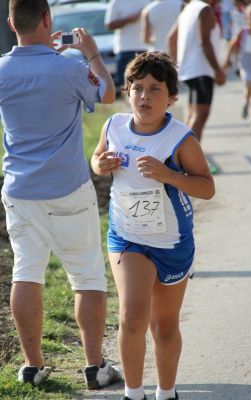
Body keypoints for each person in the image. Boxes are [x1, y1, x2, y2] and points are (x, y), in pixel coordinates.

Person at [0, 0, 122, 388]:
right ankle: (94, 367)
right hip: (68, 188)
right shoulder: (70, 67)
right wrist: (91, 53)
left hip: (21, 189)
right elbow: (106, 94)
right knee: (86, 275)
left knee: (27, 272)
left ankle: (32, 367)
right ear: (48, 19)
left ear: (10, 22)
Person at [91, 51, 215, 400]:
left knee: (163, 327)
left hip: (172, 242)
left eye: (155, 89)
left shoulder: (180, 138)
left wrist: (169, 175)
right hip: (127, 236)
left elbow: (207, 187)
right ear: (128, 91)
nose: (145, 96)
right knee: (131, 318)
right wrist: (101, 164)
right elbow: (97, 158)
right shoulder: (113, 125)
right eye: (138, 88)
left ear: (172, 96)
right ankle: (133, 394)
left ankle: (166, 392)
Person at [167, 0, 226, 143]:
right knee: (199, 118)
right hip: (201, 70)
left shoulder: (188, 9)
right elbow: (204, 41)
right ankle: (189, 161)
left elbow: (171, 39)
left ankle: (181, 158)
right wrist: (218, 70)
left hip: (189, 70)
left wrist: (175, 66)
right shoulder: (205, 9)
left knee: (191, 116)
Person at [223, 3, 251, 130]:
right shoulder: (243, 32)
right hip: (245, 64)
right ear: (246, 17)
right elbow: (232, 45)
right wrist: (226, 61)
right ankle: (246, 102)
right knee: (248, 84)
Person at [104, 0, 151, 92]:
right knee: (126, 84)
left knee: (146, 83)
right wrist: (129, 19)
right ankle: (127, 105)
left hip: (146, 48)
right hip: (125, 48)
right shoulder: (116, 2)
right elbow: (109, 25)